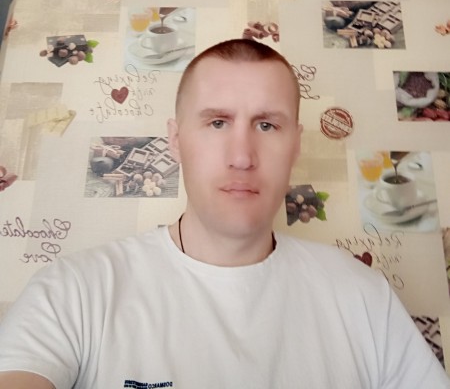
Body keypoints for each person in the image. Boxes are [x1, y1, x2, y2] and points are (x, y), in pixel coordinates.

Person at [0, 38, 448, 388]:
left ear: (295, 144)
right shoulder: (75, 291)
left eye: (267, 125)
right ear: (176, 140)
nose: (242, 157)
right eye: (217, 122)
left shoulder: (363, 296)